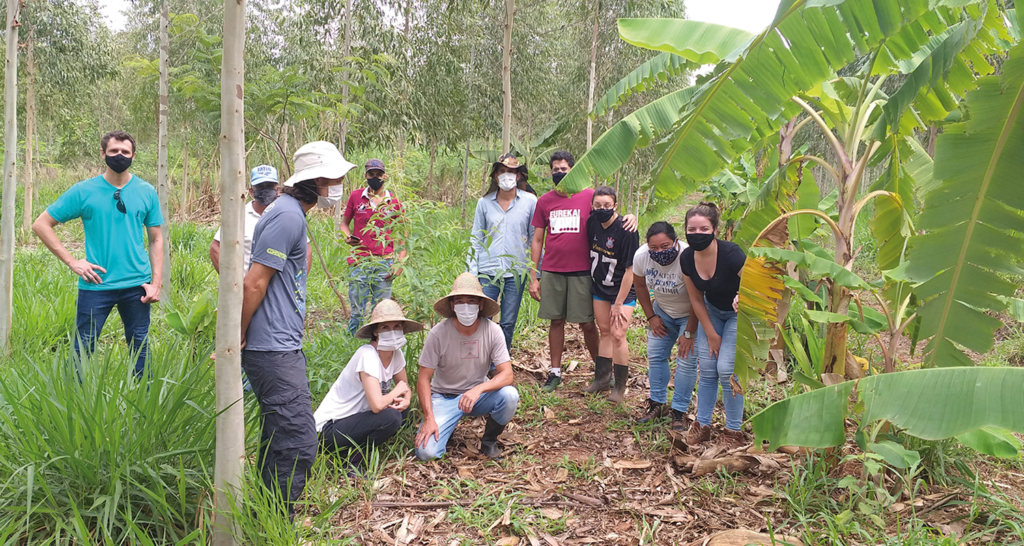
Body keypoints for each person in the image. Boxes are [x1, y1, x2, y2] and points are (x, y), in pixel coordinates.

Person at [240, 141, 353, 516]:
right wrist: (239, 334)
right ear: (319, 180)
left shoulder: (290, 213)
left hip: (281, 343)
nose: (340, 184)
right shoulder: (287, 216)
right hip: (271, 349)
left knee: (279, 434)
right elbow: (254, 282)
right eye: (336, 178)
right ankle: (278, 521)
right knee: (300, 440)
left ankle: (265, 514)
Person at [32, 130, 163, 378]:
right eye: (114, 151)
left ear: (133, 155)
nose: (120, 156)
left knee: (141, 349)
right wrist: (73, 262)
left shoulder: (146, 191)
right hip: (96, 284)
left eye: (125, 152)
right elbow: (41, 224)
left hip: (137, 285)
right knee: (82, 348)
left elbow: (156, 238)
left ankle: (145, 403)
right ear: (103, 153)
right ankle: (74, 404)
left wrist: (156, 283)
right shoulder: (84, 191)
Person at [528, 151, 637, 392]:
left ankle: (603, 373)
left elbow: (610, 212)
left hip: (584, 270)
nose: (559, 173)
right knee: (556, 321)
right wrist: (533, 275)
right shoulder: (544, 201)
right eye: (555, 169)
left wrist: (632, 217)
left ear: (573, 170)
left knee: (588, 323)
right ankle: (555, 373)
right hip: (553, 270)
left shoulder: (588, 197)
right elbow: (537, 240)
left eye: (564, 169)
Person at [414, 273, 519, 461]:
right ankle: (445, 424)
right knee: (426, 453)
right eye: (460, 301)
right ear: (453, 306)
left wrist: (479, 388)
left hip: (477, 396)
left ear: (480, 305)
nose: (466, 307)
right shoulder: (438, 333)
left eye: (471, 301)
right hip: (444, 396)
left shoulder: (492, 331)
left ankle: (489, 440)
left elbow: (507, 374)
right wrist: (429, 417)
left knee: (509, 395)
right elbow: (423, 378)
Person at [314, 299, 422, 471]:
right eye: (385, 327)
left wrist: (406, 399)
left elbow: (405, 386)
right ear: (376, 332)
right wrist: (398, 391)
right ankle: (349, 458)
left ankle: (357, 449)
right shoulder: (368, 356)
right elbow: (378, 405)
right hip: (328, 429)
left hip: (357, 419)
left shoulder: (396, 354)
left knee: (404, 413)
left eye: (396, 327)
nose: (392, 332)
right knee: (391, 418)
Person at [678, 202, 747, 449]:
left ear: (715, 230)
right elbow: (696, 298)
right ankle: (703, 425)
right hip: (712, 311)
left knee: (727, 369)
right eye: (692, 229)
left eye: (703, 229)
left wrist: (744, 296)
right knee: (707, 369)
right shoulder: (686, 258)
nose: (697, 234)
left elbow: (754, 284)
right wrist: (710, 332)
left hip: (740, 314)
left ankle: (734, 431)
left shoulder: (731, 254)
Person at [469, 153, 537, 354]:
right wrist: (472, 272)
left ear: (518, 176)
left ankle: (500, 363)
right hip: (487, 271)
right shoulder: (485, 203)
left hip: (516, 272)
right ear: (496, 176)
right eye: (502, 171)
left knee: (508, 321)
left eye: (511, 172)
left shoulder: (530, 201)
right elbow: (476, 237)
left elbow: (535, 239)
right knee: (482, 319)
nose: (506, 175)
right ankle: (480, 363)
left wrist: (535, 274)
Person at [632, 221, 698, 430]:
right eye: (654, 248)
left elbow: (699, 297)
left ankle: (679, 410)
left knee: (686, 360)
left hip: (691, 314)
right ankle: (657, 404)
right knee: (655, 354)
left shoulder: (688, 257)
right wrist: (651, 316)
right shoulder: (642, 257)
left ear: (676, 242)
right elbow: (640, 285)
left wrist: (689, 331)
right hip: (663, 312)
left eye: (665, 246)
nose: (659, 251)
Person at [584, 187, 639, 403]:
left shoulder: (627, 229)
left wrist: (618, 302)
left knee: (618, 334)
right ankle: (601, 380)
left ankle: (620, 386)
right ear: (592, 206)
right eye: (598, 205)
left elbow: (630, 270)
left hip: (621, 291)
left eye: (607, 206)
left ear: (615, 206)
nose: (602, 209)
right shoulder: (592, 222)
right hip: (600, 287)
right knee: (605, 331)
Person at [340, 159, 407, 334]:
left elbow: (402, 234)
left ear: (385, 176)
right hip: (359, 262)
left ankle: (378, 342)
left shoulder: (394, 201)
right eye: (371, 174)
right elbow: (344, 224)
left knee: (381, 311)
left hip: (384, 263)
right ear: (365, 175)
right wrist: (347, 237)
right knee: (357, 310)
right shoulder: (356, 197)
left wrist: (400, 262)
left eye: (379, 174)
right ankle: (351, 342)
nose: (375, 177)